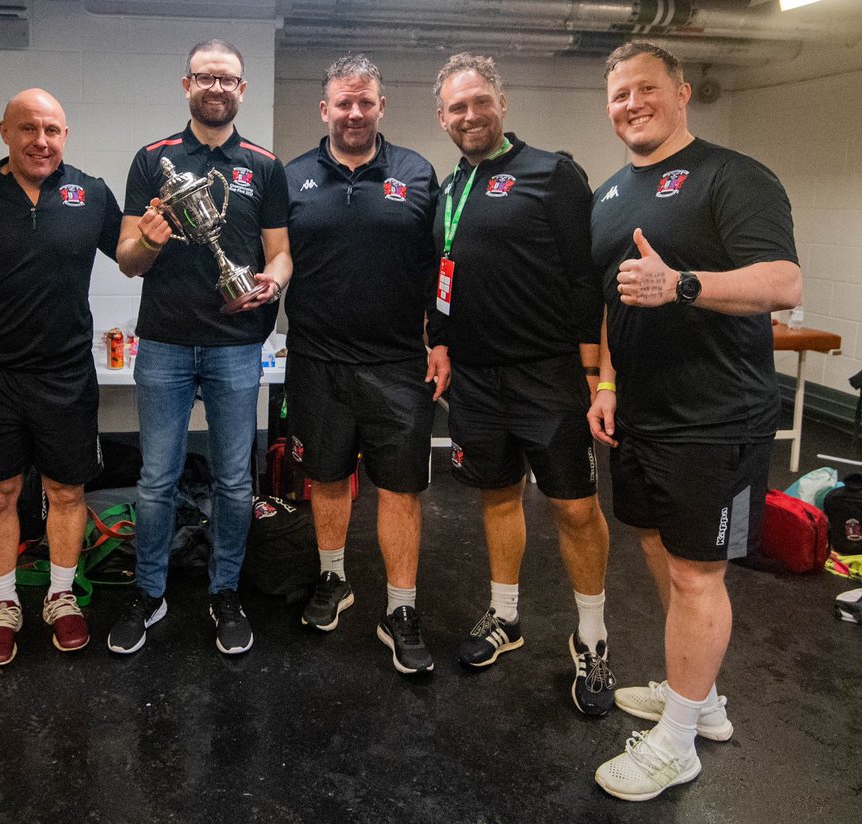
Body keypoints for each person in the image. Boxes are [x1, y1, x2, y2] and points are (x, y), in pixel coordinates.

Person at [587, 41, 801, 800]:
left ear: (682, 94)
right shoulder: (609, 196)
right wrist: (607, 381)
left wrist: (681, 283)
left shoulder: (732, 175)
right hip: (642, 415)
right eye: (618, 95)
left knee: (696, 571)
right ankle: (698, 698)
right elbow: (616, 300)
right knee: (660, 547)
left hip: (718, 415)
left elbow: (782, 280)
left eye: (646, 90)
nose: (631, 104)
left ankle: (677, 742)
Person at [426, 53, 616, 714]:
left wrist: (596, 375)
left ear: (501, 104)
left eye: (479, 102)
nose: (469, 115)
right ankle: (505, 616)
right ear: (443, 117)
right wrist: (442, 344)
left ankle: (592, 636)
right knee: (497, 496)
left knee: (574, 507)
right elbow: (445, 278)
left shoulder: (552, 173)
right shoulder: (450, 187)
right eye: (457, 107)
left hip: (547, 374)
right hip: (476, 379)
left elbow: (585, 277)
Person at [108, 39, 292, 656]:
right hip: (162, 344)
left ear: (242, 91)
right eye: (206, 78)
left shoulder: (264, 165)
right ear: (186, 84)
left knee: (236, 483)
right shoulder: (151, 160)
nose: (217, 88)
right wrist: (153, 239)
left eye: (228, 80)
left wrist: (274, 281)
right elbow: (129, 263)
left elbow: (281, 250)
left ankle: (225, 593)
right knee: (156, 479)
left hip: (238, 347)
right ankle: (150, 592)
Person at [0, 89, 121, 666]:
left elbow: (133, 255)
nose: (42, 140)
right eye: (29, 129)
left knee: (67, 491)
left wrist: (163, 235)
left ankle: (61, 597)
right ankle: (4, 603)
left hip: (65, 374)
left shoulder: (89, 192)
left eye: (54, 130)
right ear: (5, 132)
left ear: (66, 135)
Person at [283, 54, 444, 674]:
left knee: (401, 490)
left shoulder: (417, 174)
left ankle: (400, 607)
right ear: (324, 109)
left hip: (396, 363)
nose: (354, 113)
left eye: (365, 102)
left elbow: (439, 268)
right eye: (342, 103)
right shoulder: (292, 177)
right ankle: (333, 578)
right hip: (317, 362)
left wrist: (442, 338)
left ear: (381, 106)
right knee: (326, 479)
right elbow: (276, 259)